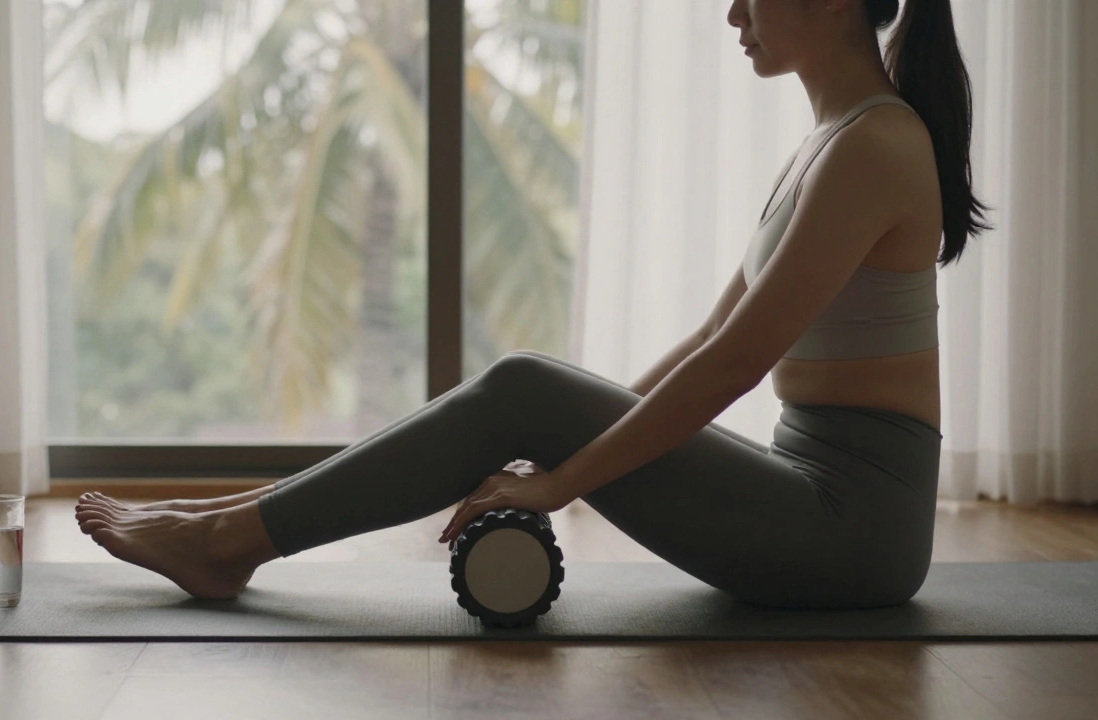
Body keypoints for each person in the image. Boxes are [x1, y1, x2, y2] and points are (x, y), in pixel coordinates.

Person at [75, 0, 990, 608]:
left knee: (525, 384)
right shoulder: (835, 139)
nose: (731, 13)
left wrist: (567, 476)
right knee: (535, 391)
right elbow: (712, 333)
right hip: (820, 497)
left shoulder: (875, 145)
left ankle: (230, 541)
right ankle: (226, 521)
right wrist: (572, 440)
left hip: (853, 533)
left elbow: (737, 363)